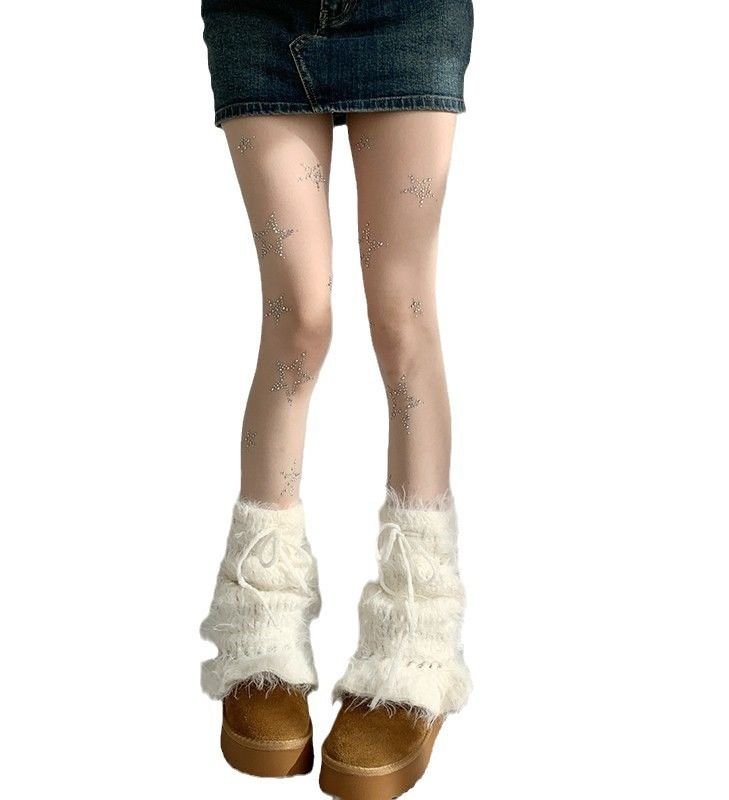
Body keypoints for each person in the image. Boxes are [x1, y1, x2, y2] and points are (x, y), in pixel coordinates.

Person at [198, 2, 474, 796]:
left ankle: (416, 642)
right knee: (298, 319)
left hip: (407, 15)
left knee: (402, 320)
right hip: (258, 15)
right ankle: (259, 623)